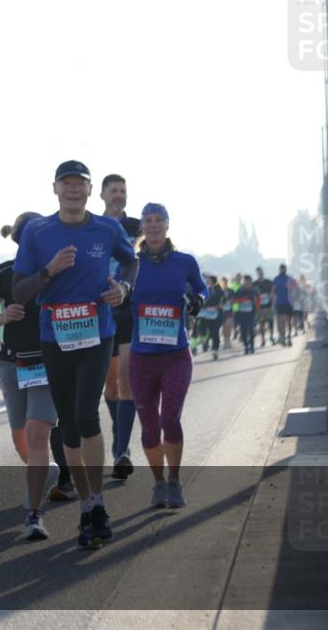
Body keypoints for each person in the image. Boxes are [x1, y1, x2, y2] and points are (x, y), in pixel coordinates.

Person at [12, 160, 138, 549]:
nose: (72, 190)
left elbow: (131, 261)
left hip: (97, 330)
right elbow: (20, 292)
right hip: (55, 335)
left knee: (86, 414)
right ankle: (87, 503)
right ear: (55, 189)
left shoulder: (107, 228)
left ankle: (96, 500)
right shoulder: (38, 231)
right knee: (67, 422)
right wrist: (49, 271)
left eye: (79, 184)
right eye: (65, 184)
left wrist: (125, 289)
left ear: (89, 190)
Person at [0, 212, 71, 540]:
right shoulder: (2, 273)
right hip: (12, 363)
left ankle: (34, 514)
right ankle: (45, 473)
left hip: (48, 362)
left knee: (36, 434)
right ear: (18, 239)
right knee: (19, 438)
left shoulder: (58, 269)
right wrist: (2, 318)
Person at [127, 203, 206, 509]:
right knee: (148, 425)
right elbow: (116, 289)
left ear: (167, 225)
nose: (154, 225)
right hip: (142, 356)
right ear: (143, 227)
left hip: (175, 354)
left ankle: (174, 481)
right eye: (149, 220)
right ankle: (158, 483)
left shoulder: (184, 261)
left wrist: (198, 299)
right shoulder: (131, 264)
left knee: (170, 418)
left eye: (159, 220)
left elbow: (202, 288)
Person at [99, 174, 140, 481]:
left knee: (126, 382)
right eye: (113, 190)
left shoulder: (140, 226)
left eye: (123, 190)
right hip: (100, 312)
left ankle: (122, 450)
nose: (118, 195)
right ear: (101, 195)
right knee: (110, 386)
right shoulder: (90, 226)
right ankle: (118, 429)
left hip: (129, 311)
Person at [200, 275, 225, 360]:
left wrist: (218, 306)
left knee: (215, 331)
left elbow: (223, 301)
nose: (207, 281)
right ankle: (208, 344)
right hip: (208, 314)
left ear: (213, 281)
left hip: (217, 314)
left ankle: (215, 350)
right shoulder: (206, 290)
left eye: (208, 280)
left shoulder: (219, 290)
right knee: (210, 332)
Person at [232, 276, 260, 354]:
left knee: (251, 329)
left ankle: (252, 346)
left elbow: (258, 299)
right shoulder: (239, 290)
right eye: (245, 282)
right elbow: (233, 300)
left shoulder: (254, 290)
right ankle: (246, 347)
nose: (247, 284)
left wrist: (257, 307)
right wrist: (243, 300)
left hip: (251, 313)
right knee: (243, 331)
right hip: (241, 313)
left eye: (248, 283)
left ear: (251, 283)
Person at [272, 264, 295, 346]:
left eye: (284, 269)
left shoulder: (289, 279)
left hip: (289, 302)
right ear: (279, 270)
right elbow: (273, 291)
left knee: (288, 321)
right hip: (279, 303)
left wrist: (290, 287)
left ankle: (289, 336)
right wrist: (273, 301)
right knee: (280, 320)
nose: (282, 271)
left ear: (286, 270)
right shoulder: (276, 279)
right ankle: (282, 336)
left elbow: (296, 288)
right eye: (281, 269)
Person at [254, 266, 275, 347]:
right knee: (261, 323)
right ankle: (263, 340)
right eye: (258, 272)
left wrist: (271, 296)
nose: (260, 274)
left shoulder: (268, 282)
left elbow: (273, 290)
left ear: (263, 272)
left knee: (270, 322)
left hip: (268, 306)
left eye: (261, 272)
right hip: (260, 307)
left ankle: (271, 337)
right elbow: (253, 294)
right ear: (257, 273)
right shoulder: (254, 284)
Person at [219, 276, 234, 349]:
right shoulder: (219, 291)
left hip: (229, 311)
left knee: (229, 326)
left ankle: (228, 341)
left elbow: (233, 300)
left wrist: (231, 301)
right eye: (223, 281)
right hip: (221, 312)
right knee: (223, 328)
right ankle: (225, 342)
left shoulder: (231, 291)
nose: (224, 283)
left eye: (225, 281)